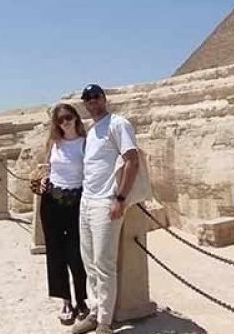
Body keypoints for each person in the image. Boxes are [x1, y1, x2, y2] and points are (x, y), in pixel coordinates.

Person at [71, 84, 141, 334]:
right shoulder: (91, 129)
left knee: (104, 263)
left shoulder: (117, 123)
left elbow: (133, 160)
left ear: (104, 98)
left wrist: (120, 198)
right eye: (87, 98)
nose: (92, 101)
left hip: (106, 202)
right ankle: (93, 312)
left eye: (95, 96)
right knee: (89, 261)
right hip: (87, 201)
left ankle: (105, 322)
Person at [38, 103, 91, 325]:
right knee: (55, 254)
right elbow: (47, 166)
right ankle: (66, 301)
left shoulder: (86, 143)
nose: (65, 123)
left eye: (68, 117)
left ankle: (82, 300)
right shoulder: (54, 142)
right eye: (59, 120)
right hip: (51, 202)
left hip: (76, 202)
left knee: (76, 253)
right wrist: (43, 179)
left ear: (76, 118)